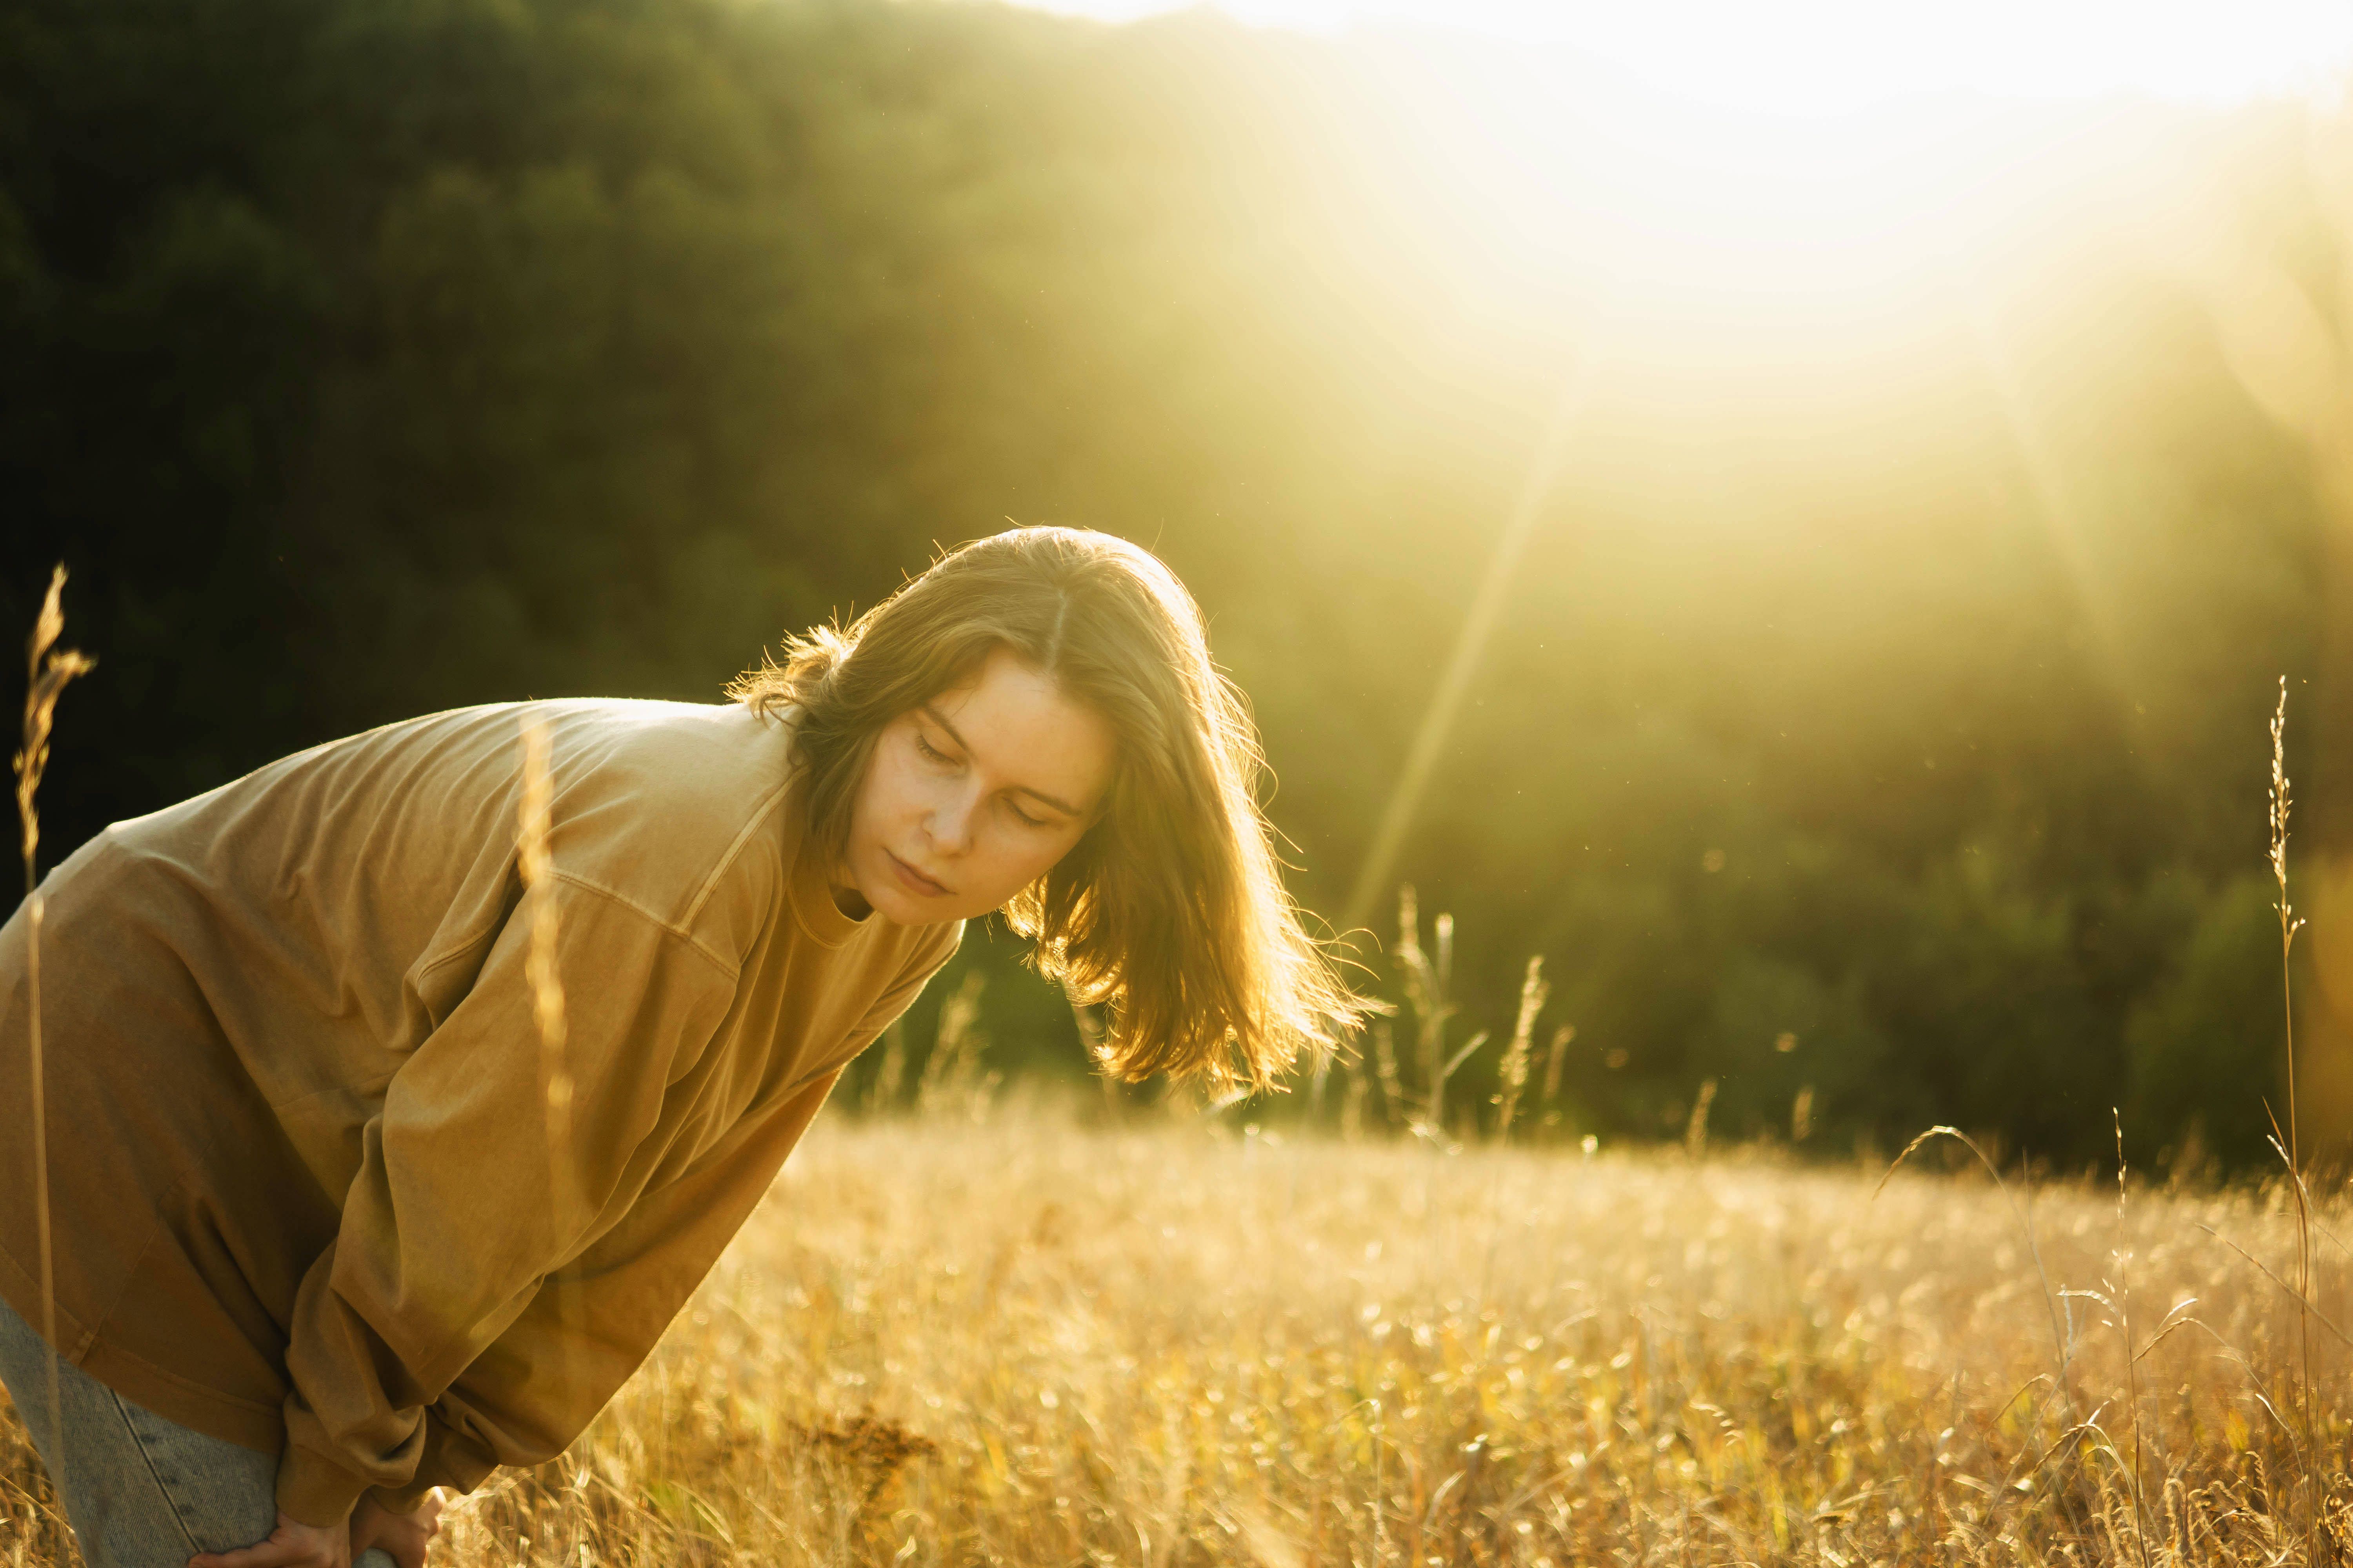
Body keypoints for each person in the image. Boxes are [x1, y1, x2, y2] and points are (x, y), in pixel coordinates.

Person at [0, 526, 1361, 1568]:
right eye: (935, 750)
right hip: (104, 1075)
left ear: (1094, 832)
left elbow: (642, 1233)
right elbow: (464, 1196)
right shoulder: (690, 859)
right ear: (878, 697)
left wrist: (417, 1469)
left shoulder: (900, 912)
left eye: (1028, 809)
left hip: (278, 1169)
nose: (952, 829)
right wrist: (325, 1478)